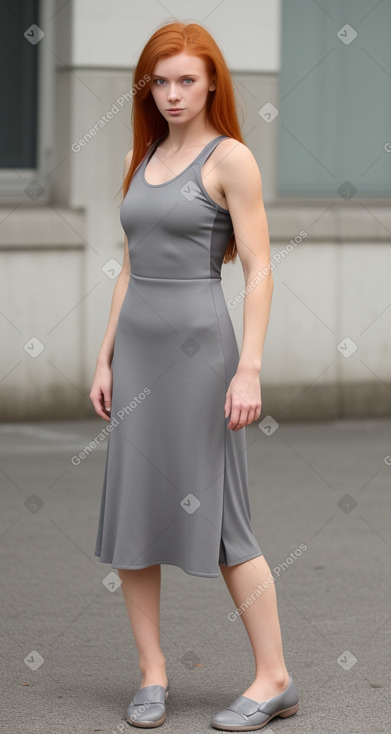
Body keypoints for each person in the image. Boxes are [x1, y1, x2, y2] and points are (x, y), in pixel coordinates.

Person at [90, 20, 299, 731]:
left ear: (211, 82)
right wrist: (105, 355)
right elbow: (129, 264)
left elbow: (261, 267)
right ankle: (152, 672)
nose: (173, 93)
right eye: (160, 80)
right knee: (133, 512)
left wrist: (249, 368)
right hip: (138, 358)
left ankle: (273, 677)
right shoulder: (140, 153)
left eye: (187, 79)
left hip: (202, 358)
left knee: (225, 522)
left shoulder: (230, 158)